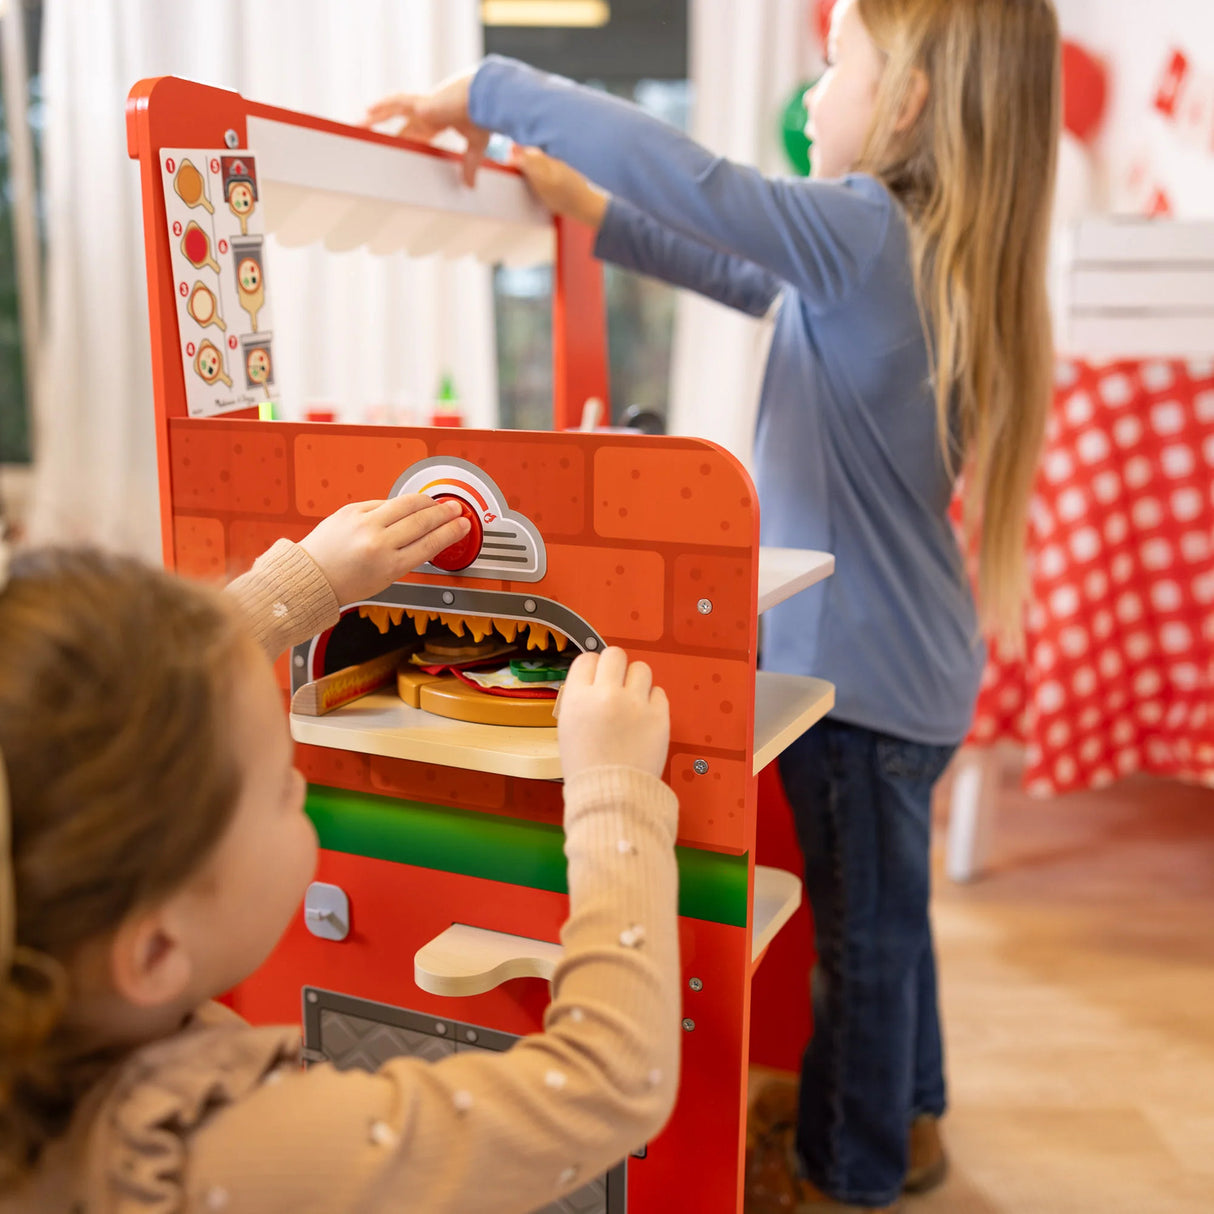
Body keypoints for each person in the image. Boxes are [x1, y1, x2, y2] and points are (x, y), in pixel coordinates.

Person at [367, 1, 1060, 1208]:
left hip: (862, 682)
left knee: (864, 942)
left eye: (833, 64)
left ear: (904, 102)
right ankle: (908, 1122)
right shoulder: (910, 252)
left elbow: (697, 184)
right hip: (908, 669)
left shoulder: (861, 232)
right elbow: (727, 261)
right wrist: (587, 212)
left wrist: (489, 87)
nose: (810, 96)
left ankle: (845, 1172)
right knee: (889, 922)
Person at [0, 492, 681, 1212]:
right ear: (156, 955)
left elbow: (96, 727)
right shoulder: (228, 1157)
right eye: (282, 788)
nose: (298, 782)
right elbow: (607, 1084)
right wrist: (616, 791)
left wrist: (303, 587)